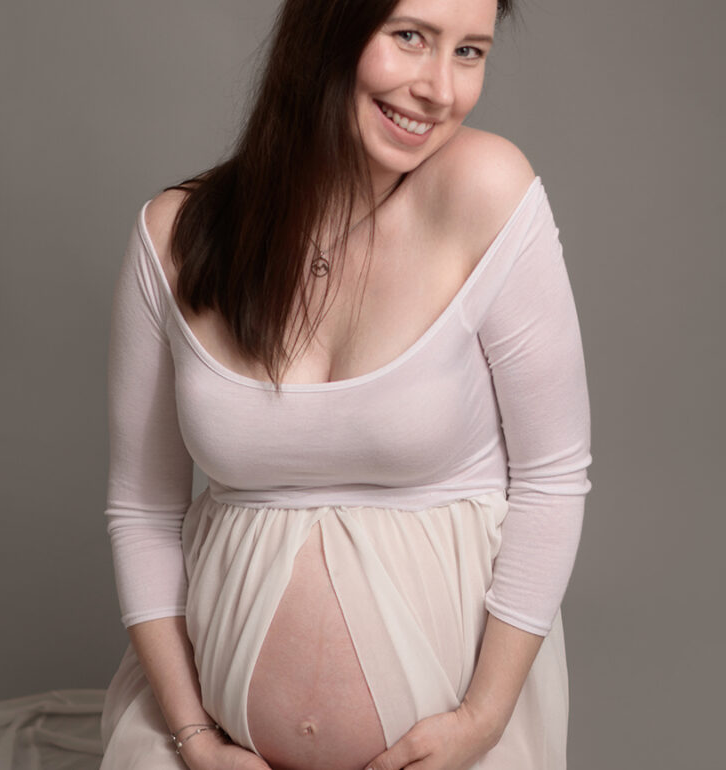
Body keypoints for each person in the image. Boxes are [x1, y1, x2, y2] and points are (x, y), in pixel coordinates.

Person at [99, 0, 592, 768]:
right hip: (207, 751)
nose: (440, 89)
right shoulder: (175, 235)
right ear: (326, 26)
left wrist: (483, 720)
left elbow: (552, 479)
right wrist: (194, 738)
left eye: (469, 52)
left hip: (458, 748)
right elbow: (142, 508)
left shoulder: (484, 191)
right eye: (410, 37)